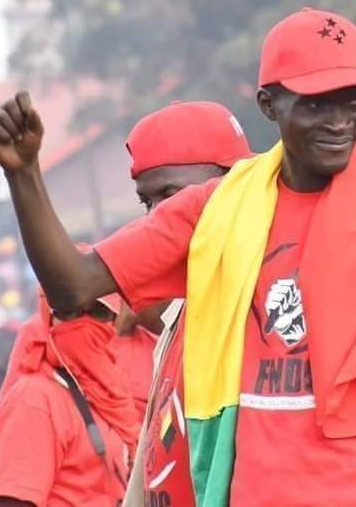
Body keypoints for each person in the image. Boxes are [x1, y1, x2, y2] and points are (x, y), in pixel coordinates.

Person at [0, 8, 356, 507]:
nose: (341, 121)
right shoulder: (218, 210)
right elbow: (74, 285)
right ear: (269, 105)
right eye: (317, 103)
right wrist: (24, 174)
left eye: (352, 101)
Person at [120, 101, 253, 507]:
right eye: (148, 203)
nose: (160, 217)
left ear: (234, 184)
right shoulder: (179, 312)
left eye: (172, 195)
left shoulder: (266, 302)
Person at [0, 290, 138, 506]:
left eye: (99, 312)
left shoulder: (110, 396)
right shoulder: (34, 398)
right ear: (48, 317)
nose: (83, 323)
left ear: (116, 319)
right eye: (69, 311)